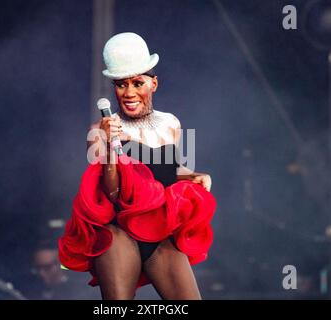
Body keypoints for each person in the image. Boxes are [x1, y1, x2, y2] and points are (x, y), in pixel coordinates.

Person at [59, 32, 216, 300]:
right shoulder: (98, 131)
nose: (129, 92)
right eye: (121, 85)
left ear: (153, 83)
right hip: (120, 236)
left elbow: (172, 170)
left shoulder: (171, 123)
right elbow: (112, 193)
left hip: (160, 235)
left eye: (137, 83)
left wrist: (196, 176)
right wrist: (109, 146)